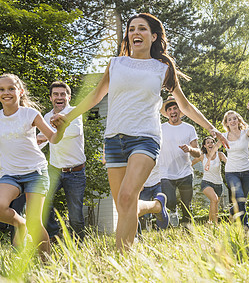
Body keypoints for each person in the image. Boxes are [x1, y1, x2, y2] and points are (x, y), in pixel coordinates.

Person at [50, 13, 228, 251]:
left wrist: (211, 128)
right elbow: (95, 96)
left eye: (142, 29)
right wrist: (67, 117)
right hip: (114, 139)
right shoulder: (116, 64)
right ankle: (154, 207)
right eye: (131, 29)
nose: (135, 33)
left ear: (153, 36)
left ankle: (120, 260)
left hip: (146, 138)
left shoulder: (161, 68)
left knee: (126, 198)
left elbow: (184, 105)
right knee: (125, 205)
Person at [0, 73, 64, 258]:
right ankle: (20, 224)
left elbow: (53, 138)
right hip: (10, 174)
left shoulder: (30, 114)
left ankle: (46, 264)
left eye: (11, 88)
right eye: (2, 89)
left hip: (35, 172)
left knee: (35, 221)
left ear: (20, 92)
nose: (6, 93)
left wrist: (61, 128)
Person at [37, 81, 86, 241]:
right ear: (50, 98)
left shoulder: (74, 112)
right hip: (55, 170)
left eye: (63, 94)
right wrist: (35, 142)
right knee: (42, 200)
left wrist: (45, 135)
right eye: (56, 94)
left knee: (75, 215)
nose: (59, 97)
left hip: (75, 172)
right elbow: (43, 141)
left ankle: (79, 245)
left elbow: (73, 131)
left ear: (69, 97)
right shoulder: (46, 116)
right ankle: (54, 234)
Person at [159, 97, 201, 226]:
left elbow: (198, 152)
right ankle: (172, 211)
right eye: (170, 109)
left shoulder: (189, 128)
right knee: (170, 201)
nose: (173, 111)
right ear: (167, 113)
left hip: (185, 172)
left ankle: (188, 229)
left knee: (186, 205)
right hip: (165, 173)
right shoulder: (160, 128)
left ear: (179, 110)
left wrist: (189, 149)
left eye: (175, 108)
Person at [221, 101, 249, 231]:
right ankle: (245, 228)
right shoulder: (224, 136)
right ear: (226, 123)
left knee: (241, 201)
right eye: (229, 119)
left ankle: (233, 211)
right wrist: (209, 160)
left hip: (246, 172)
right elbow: (214, 149)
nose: (232, 121)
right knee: (240, 198)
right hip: (231, 172)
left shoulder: (245, 133)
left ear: (238, 121)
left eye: (234, 119)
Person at [192, 137, 227, 224]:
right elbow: (189, 164)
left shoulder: (220, 155)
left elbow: (229, 163)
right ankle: (215, 225)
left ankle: (209, 223)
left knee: (214, 204)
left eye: (212, 142)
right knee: (214, 199)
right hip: (206, 183)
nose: (211, 144)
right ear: (204, 146)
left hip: (219, 184)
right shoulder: (202, 156)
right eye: (208, 142)